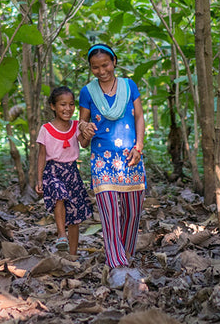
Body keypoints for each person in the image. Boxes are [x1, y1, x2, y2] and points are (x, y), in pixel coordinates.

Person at [77, 44, 146, 282]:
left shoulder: (130, 86)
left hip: (130, 156)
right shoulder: (87, 92)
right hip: (101, 159)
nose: (101, 71)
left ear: (114, 61)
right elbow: (82, 136)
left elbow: (139, 116)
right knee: (108, 212)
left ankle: (126, 255)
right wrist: (83, 128)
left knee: (132, 211)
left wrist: (139, 146)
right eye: (95, 67)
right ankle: (116, 263)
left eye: (105, 65)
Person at [35, 85, 93, 256]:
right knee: (58, 193)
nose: (68, 108)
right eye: (62, 104)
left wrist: (87, 133)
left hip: (72, 172)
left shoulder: (76, 126)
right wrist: (39, 180)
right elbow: (41, 155)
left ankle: (73, 256)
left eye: (71, 104)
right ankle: (61, 234)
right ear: (53, 106)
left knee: (74, 216)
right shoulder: (46, 129)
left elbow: (83, 143)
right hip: (53, 171)